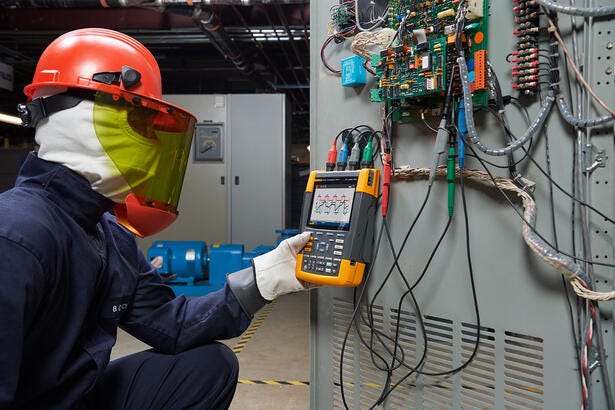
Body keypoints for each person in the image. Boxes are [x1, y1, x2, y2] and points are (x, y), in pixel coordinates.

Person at [0, 28, 311, 409]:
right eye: (140, 124)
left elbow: (172, 325)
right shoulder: (15, 235)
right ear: (76, 115)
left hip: (76, 394)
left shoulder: (108, 234)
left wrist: (265, 278)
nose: (149, 144)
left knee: (208, 366)